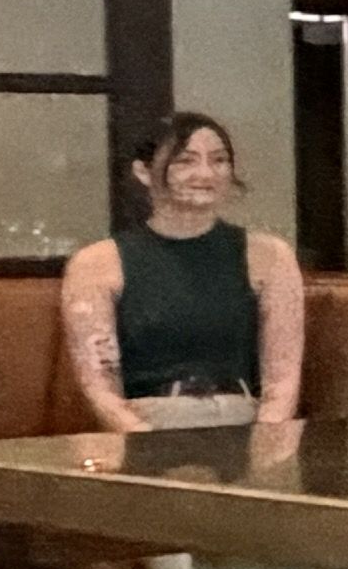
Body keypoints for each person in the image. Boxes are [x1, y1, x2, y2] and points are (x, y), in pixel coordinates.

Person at [58, 110, 304, 436]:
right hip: (144, 424)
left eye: (219, 160)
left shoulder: (270, 255)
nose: (205, 173)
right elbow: (99, 386)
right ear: (143, 172)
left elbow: (283, 377)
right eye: (185, 161)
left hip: (244, 421)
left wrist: (267, 443)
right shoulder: (96, 263)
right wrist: (143, 439)